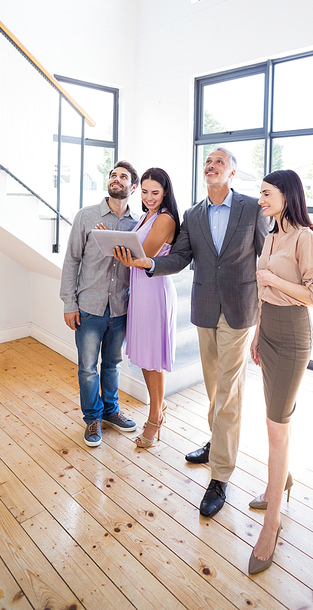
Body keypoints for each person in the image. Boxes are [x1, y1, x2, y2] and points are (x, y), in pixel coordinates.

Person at [119, 148, 268, 517]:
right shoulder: (194, 214)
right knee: (215, 385)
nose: (211, 166)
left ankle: (220, 475)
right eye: (208, 162)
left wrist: (263, 319)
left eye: (219, 162)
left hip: (240, 310)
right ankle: (217, 441)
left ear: (232, 172)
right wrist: (148, 263)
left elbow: (265, 259)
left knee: (229, 391)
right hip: (204, 309)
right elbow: (180, 257)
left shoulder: (251, 209)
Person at [247, 169, 313, 575]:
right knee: (276, 422)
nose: (260, 200)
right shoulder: (273, 236)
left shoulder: (304, 239)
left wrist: (274, 278)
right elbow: (264, 291)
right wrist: (258, 333)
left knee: (277, 426)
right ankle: (280, 483)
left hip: (295, 334)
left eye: (266, 194)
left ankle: (272, 522)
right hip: (270, 332)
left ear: (286, 195)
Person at [60, 161, 139, 447]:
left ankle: (111, 412)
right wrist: (69, 303)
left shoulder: (137, 224)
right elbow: (72, 260)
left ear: (133, 187)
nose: (116, 179)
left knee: (113, 364)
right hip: (89, 307)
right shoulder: (86, 216)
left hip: (120, 308)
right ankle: (92, 418)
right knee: (88, 368)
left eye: (123, 177)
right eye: (113, 175)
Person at [112, 168, 180, 447]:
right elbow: (133, 251)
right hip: (139, 289)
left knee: (153, 359)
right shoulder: (144, 217)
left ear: (165, 193)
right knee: (145, 357)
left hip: (155, 291)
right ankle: (158, 409)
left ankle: (156, 416)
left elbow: (145, 255)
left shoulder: (165, 218)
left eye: (155, 192)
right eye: (145, 191)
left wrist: (120, 251)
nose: (149, 197)